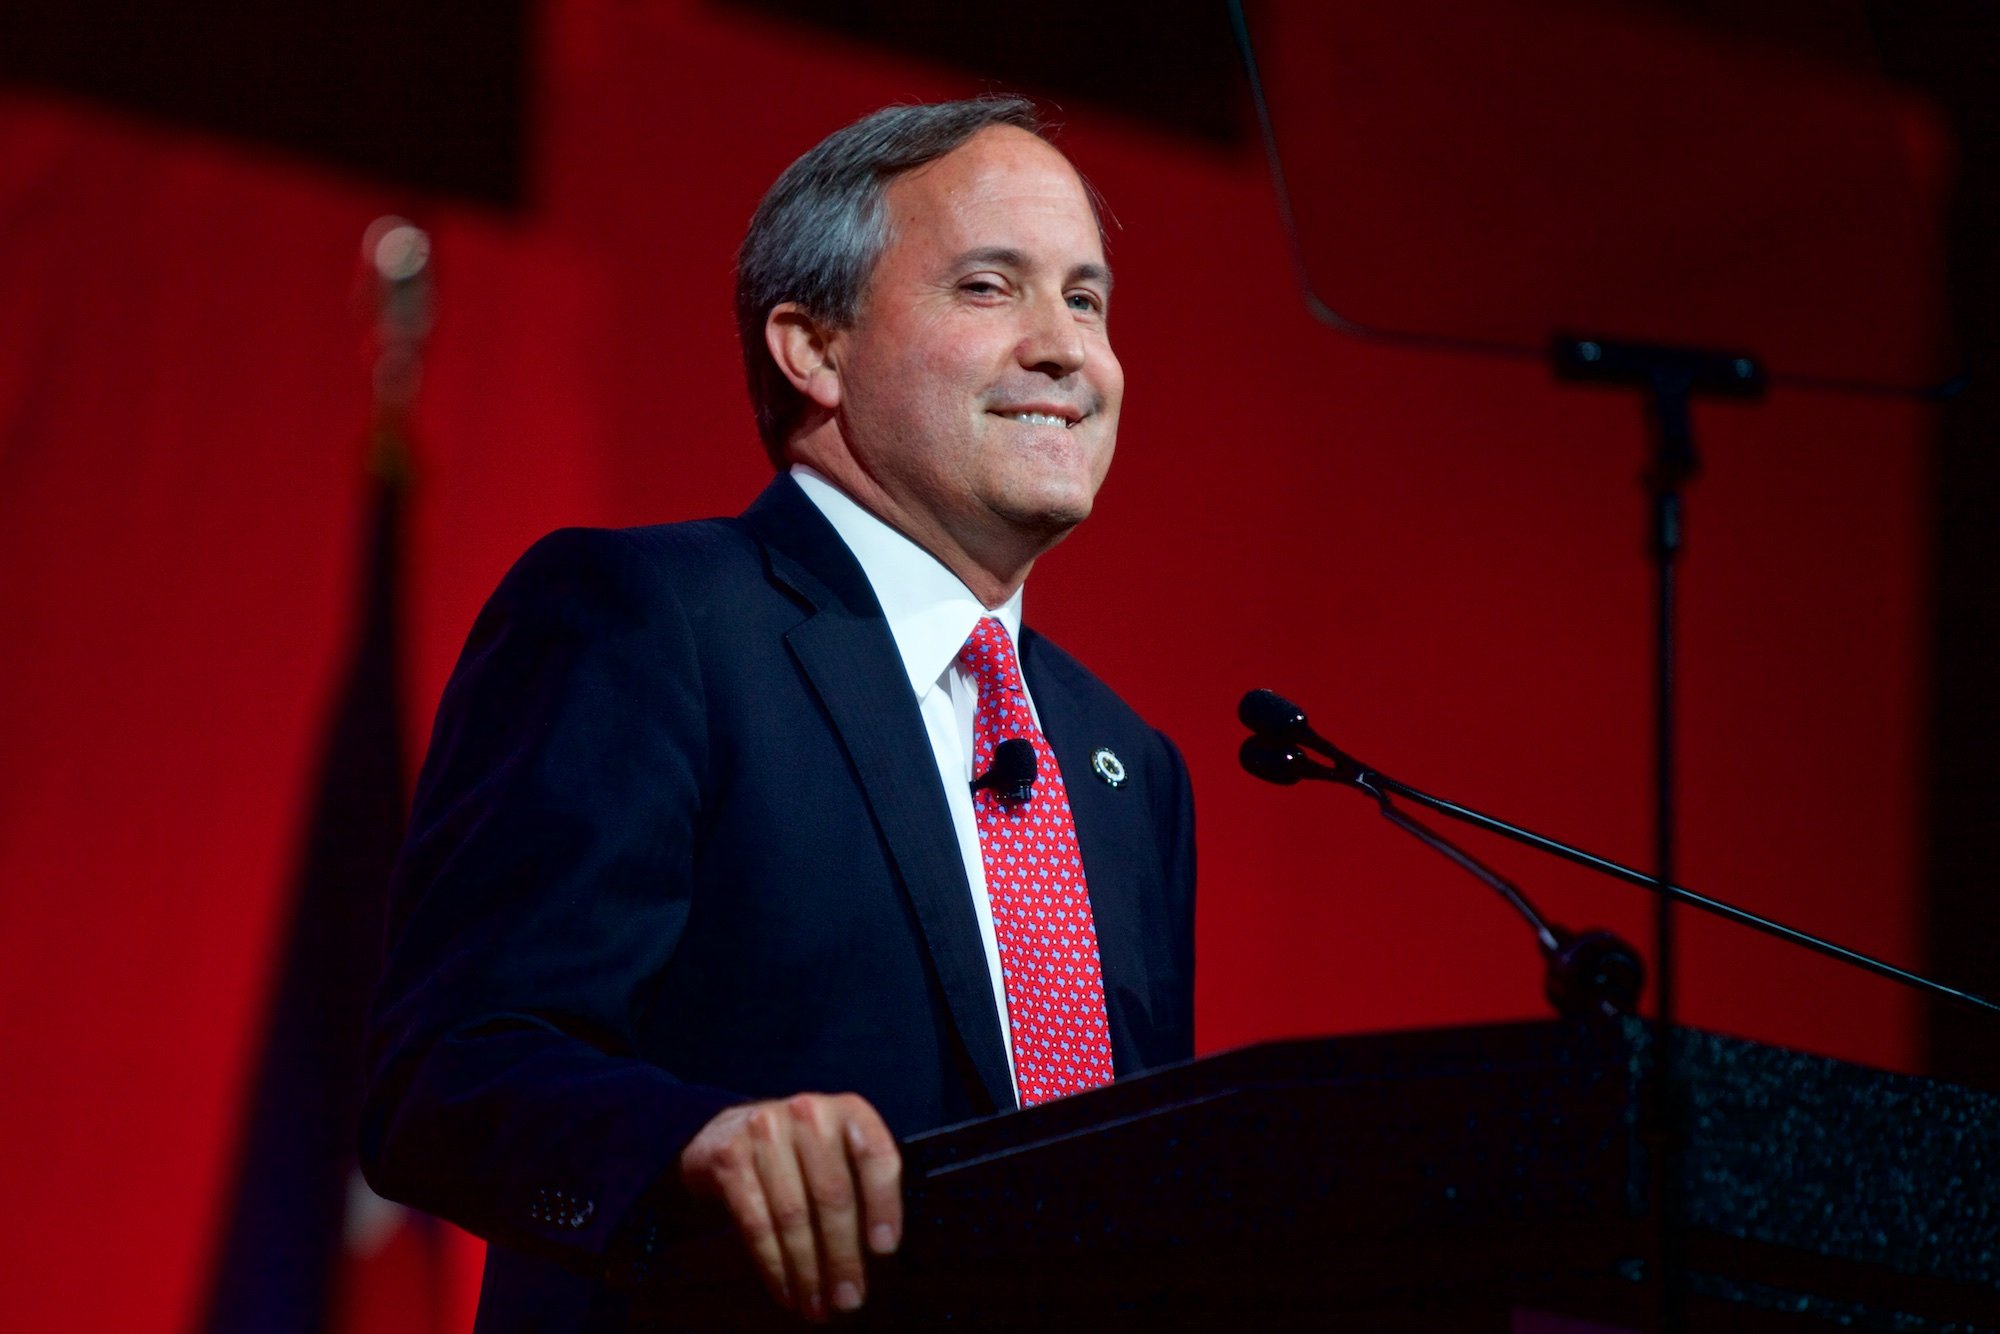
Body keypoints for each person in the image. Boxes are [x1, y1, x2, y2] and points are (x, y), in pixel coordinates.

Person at [361, 97, 1196, 1331]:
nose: (1065, 348)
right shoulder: (648, 622)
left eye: (1085, 298)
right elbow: (450, 1073)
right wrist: (693, 1142)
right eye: (988, 286)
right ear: (812, 347)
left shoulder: (1132, 767)